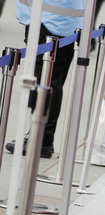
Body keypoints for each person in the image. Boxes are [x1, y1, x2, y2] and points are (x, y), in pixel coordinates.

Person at [6, 0, 85, 158]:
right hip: (61, 20)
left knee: (46, 80)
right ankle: (41, 137)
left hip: (50, 20)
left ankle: (41, 140)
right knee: (51, 79)